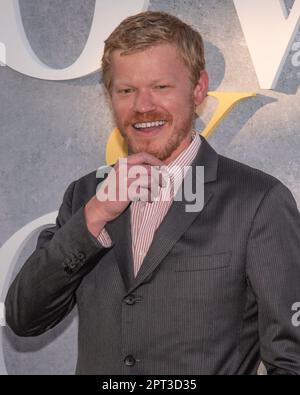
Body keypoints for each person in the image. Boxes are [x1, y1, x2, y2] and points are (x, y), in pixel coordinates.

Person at [5, 11, 300, 375]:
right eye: (127, 90)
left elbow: (293, 359)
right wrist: (95, 215)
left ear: (198, 89)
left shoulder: (258, 201)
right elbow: (24, 317)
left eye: (161, 87)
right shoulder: (85, 195)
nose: (143, 106)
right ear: (110, 96)